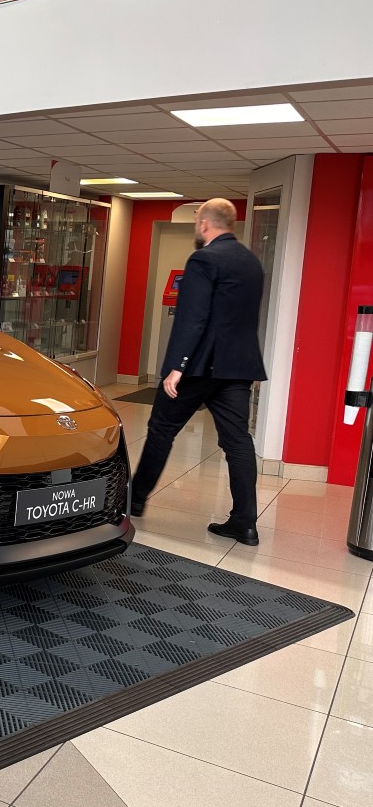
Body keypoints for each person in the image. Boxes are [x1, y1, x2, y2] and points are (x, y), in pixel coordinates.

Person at [130, 198, 267, 546]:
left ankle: (134, 500)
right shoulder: (251, 262)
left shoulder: (203, 259)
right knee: (238, 441)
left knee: (162, 429)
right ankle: (245, 523)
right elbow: (245, 318)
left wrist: (177, 367)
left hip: (199, 366)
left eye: (196, 222)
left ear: (205, 224)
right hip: (237, 368)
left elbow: (192, 318)